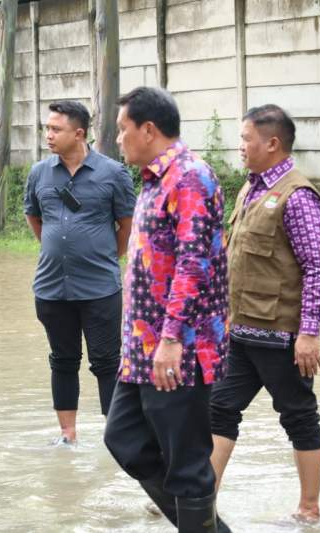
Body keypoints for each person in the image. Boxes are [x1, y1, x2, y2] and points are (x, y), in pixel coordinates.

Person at [103, 86, 231, 533]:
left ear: (149, 129)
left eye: (123, 130)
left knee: (188, 463)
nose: (119, 139)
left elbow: (194, 263)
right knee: (123, 438)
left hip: (178, 351)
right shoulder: (155, 180)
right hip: (143, 350)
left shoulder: (190, 176)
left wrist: (173, 339)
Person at [209, 104, 320, 523]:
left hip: (282, 339)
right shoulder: (250, 189)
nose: (240, 146)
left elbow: (319, 268)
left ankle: (309, 510)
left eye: (246, 138)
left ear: (272, 143)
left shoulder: (296, 197)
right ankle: (199, 498)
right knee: (218, 409)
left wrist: (309, 334)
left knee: (298, 416)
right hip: (240, 333)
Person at [24, 100, 136, 445]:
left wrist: (102, 257)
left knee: (106, 362)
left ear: (79, 133)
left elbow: (127, 225)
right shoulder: (40, 173)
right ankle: (67, 436)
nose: (48, 135)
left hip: (100, 288)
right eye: (47, 128)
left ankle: (115, 437)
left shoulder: (113, 174)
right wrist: (58, 251)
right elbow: (34, 216)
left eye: (55, 129)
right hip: (51, 287)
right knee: (62, 359)